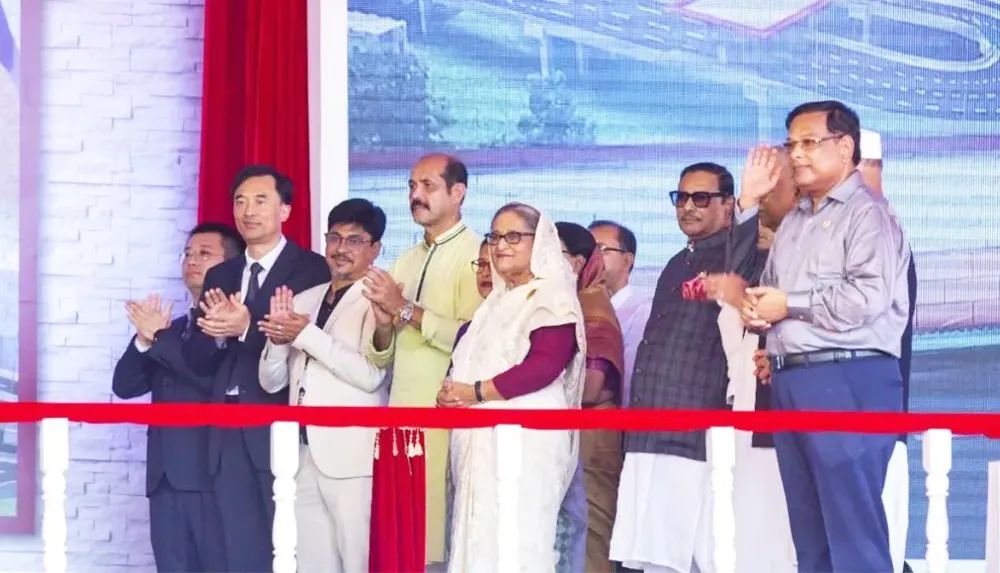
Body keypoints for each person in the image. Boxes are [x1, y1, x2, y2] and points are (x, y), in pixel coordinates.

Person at [741, 100, 911, 572]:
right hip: (793, 380)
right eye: (791, 144)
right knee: (810, 536)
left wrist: (787, 306)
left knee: (853, 536)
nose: (796, 154)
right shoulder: (795, 220)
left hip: (848, 378)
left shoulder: (868, 214)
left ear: (845, 147)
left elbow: (867, 299)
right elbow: (770, 291)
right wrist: (760, 316)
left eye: (809, 142)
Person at [610, 162, 764, 573]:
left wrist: (749, 207)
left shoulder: (735, 256)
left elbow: (744, 281)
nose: (688, 207)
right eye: (681, 198)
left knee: (699, 555)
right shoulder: (678, 261)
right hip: (649, 430)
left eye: (701, 198)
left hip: (695, 433)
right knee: (653, 556)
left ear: (728, 205)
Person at [186, 165, 331, 572]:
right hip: (225, 427)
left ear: (285, 210)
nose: (248, 211)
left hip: (280, 423)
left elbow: (309, 349)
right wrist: (216, 334)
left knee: (289, 544)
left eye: (260, 201)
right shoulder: (221, 273)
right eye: (240, 201)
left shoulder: (312, 270)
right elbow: (199, 359)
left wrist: (247, 328)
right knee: (237, 543)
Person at [436, 202, 586, 573]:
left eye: (514, 236)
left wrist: (474, 392)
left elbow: (543, 366)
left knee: (517, 538)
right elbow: (466, 361)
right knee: (475, 536)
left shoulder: (551, 293)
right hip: (479, 436)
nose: (501, 245)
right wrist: (450, 392)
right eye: (495, 236)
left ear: (540, 241)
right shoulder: (493, 303)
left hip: (525, 438)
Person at [364, 154, 483, 570]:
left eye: (428, 186)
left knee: (439, 543)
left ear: (458, 193)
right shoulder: (406, 260)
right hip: (399, 421)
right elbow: (381, 354)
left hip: (446, 420)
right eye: (412, 186)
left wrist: (405, 310)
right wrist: (383, 325)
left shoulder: (477, 257)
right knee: (401, 544)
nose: (416, 195)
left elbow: (473, 340)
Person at [257, 198, 389, 572]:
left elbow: (371, 375)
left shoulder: (379, 299)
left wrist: (305, 334)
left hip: (352, 456)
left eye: (354, 240)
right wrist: (278, 343)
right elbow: (271, 383)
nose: (341, 248)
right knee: (311, 562)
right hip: (301, 454)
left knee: (358, 560)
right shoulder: (305, 299)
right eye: (334, 237)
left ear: (375, 248)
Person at [112, 223, 243, 573]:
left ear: (230, 265)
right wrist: (144, 340)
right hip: (164, 479)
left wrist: (159, 336)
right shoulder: (172, 327)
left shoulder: (233, 324)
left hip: (211, 477)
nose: (192, 261)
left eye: (204, 253)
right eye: (187, 254)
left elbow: (203, 376)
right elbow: (124, 386)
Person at [556, 221, 625, 573]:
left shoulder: (591, 305)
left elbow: (593, 386)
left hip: (592, 437)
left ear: (577, 263)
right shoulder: (574, 302)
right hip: (579, 435)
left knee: (591, 539)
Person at [588, 221, 652, 406]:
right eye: (588, 251)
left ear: (627, 260)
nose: (592, 259)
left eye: (601, 250)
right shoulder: (577, 308)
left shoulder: (642, 312)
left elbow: (630, 378)